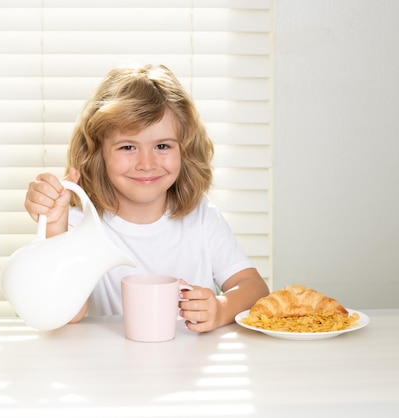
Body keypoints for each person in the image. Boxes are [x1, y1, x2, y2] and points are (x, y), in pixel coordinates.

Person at [24, 64, 269, 333]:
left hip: (187, 370)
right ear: (97, 153)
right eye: (128, 147)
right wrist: (54, 227)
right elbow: (67, 313)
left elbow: (254, 287)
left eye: (162, 146)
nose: (146, 163)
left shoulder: (201, 217)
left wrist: (221, 307)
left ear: (184, 150)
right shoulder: (79, 224)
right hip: (110, 370)